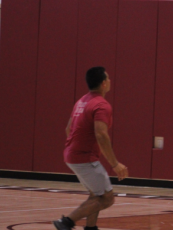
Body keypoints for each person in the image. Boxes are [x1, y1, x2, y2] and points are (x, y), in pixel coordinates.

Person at [53, 67, 128, 230]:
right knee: (107, 199)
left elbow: (68, 129)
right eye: (108, 78)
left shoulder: (82, 101)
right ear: (103, 83)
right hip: (84, 158)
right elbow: (101, 135)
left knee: (96, 194)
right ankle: (66, 222)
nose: (110, 81)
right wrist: (115, 164)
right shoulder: (102, 105)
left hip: (71, 154)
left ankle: (91, 228)